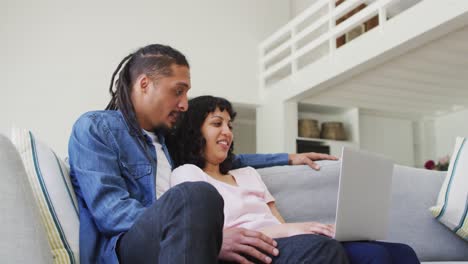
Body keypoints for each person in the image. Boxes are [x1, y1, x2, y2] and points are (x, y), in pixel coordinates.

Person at [68, 44, 339, 264]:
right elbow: (112, 214)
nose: (185, 104)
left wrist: (289, 158)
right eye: (178, 91)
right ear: (144, 84)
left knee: (319, 250)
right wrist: (208, 235)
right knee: (197, 193)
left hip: (191, 246)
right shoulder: (96, 128)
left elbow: (231, 159)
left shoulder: (168, 141)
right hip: (129, 248)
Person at [168, 95, 421, 264]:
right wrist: (296, 231)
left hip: (284, 242)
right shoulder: (188, 174)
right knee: (328, 250)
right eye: (216, 123)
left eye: (230, 125)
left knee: (400, 253)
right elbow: (201, 234)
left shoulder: (248, 174)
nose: (227, 132)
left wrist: (302, 230)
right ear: (193, 131)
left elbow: (278, 221)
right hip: (254, 250)